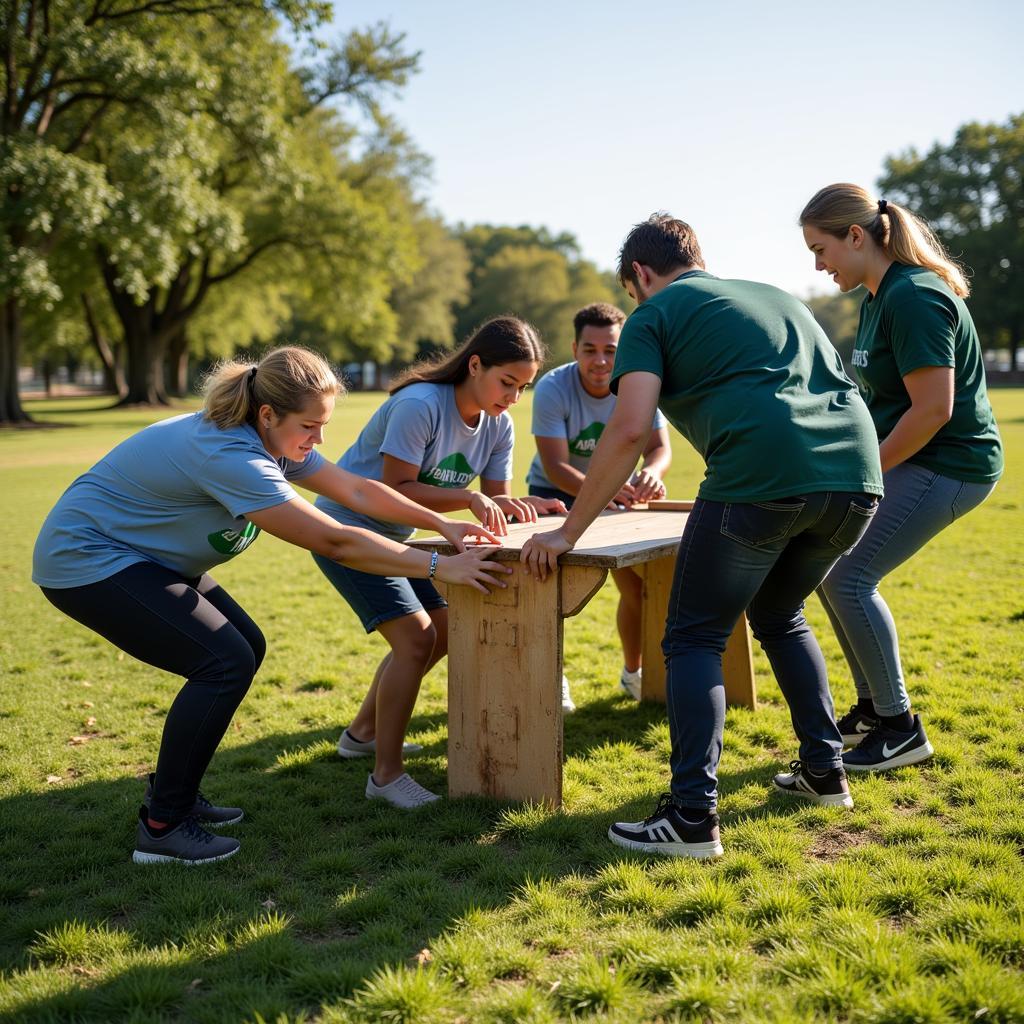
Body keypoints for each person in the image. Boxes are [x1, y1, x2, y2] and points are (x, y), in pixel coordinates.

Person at [32, 346, 508, 866]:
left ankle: (179, 796)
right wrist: (440, 568)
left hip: (147, 557)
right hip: (88, 559)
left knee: (245, 648)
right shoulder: (231, 455)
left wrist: (441, 523)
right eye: (310, 425)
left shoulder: (273, 440)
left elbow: (354, 489)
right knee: (222, 662)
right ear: (267, 414)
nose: (319, 439)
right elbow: (336, 542)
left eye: (323, 425)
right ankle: (163, 825)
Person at [521, 214, 884, 859]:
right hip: (857, 477)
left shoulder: (653, 316)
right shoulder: (776, 297)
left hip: (762, 475)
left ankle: (691, 816)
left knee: (693, 637)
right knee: (780, 613)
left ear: (638, 276)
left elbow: (630, 428)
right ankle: (826, 772)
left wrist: (568, 533)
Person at [312, 316, 565, 808]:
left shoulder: (500, 425)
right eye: (506, 383)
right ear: (475, 365)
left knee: (446, 629)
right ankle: (385, 777)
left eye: (523, 387)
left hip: (403, 539)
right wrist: (469, 498)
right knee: (416, 639)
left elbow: (496, 504)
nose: (513, 397)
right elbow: (396, 488)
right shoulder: (419, 404)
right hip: (346, 532)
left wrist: (525, 507)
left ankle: (362, 734)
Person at [800, 184, 1003, 771]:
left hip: (951, 465)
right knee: (830, 572)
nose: (818, 265)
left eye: (821, 249)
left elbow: (933, 410)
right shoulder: (878, 297)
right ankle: (870, 710)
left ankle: (900, 726)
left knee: (847, 577)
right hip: (915, 459)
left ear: (856, 236)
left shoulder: (913, 297)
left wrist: (867, 471)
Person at [526, 301, 672, 710]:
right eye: (590, 350)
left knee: (637, 586)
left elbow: (659, 448)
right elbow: (555, 466)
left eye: (610, 349)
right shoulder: (554, 387)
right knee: (544, 589)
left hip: (616, 495)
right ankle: (553, 678)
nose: (601, 360)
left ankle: (633, 672)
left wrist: (654, 473)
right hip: (556, 495)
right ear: (574, 349)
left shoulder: (639, 381)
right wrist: (607, 491)